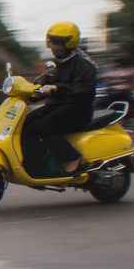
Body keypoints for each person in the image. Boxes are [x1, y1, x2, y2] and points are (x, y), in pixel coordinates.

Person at [27, 21, 98, 176]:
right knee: (25, 123)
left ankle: (75, 158)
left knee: (43, 128)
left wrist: (57, 88)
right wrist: (29, 92)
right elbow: (43, 84)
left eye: (57, 43)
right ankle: (34, 165)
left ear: (69, 43)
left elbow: (85, 91)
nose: (53, 46)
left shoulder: (84, 65)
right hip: (58, 106)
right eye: (51, 41)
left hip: (78, 109)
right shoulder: (54, 65)